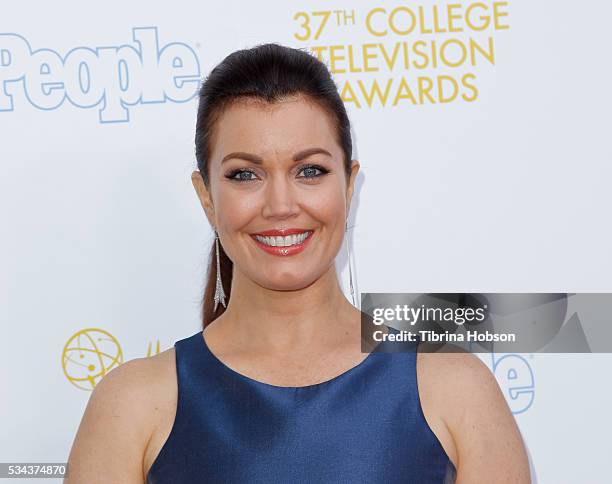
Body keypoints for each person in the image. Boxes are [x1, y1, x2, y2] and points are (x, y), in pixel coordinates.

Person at [65, 43, 531, 483]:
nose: (281, 205)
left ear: (349, 186)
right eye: (245, 175)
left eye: (310, 171)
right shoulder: (133, 405)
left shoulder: (455, 389)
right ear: (206, 197)